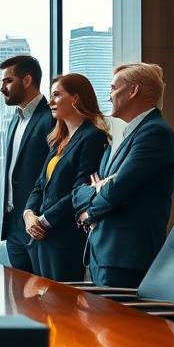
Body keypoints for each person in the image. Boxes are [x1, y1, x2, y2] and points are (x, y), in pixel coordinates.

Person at [73, 63, 174, 287]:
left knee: (115, 323)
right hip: (105, 254)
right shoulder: (125, 135)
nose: (109, 96)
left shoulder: (154, 133)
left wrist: (88, 214)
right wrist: (98, 187)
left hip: (125, 257)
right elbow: (80, 191)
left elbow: (116, 191)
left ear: (133, 90)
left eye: (113, 88)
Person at [23, 74, 109, 281]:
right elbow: (40, 185)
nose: (50, 101)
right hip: (42, 239)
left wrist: (44, 221)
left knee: (62, 308)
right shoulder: (58, 140)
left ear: (76, 98)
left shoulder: (92, 137)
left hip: (65, 239)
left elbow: (80, 191)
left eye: (56, 95)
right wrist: (28, 215)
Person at [0, 55, 54, 273]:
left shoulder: (50, 118)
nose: (2, 87)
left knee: (44, 298)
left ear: (27, 80)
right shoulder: (15, 119)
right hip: (14, 224)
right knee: (19, 299)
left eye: (8, 81)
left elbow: (53, 171)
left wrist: (39, 215)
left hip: (38, 223)